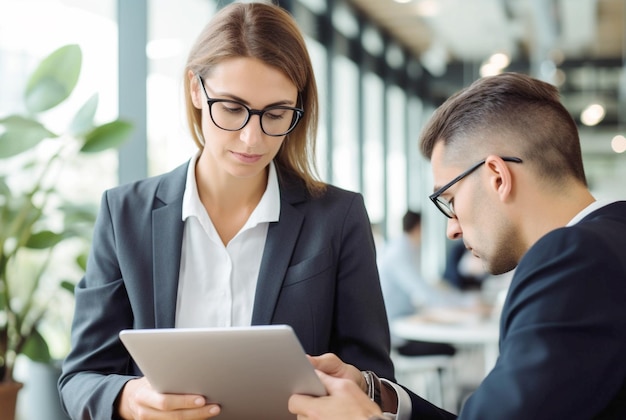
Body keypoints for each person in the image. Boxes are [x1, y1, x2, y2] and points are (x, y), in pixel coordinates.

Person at [57, 2, 394, 419]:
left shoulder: (337, 218)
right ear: (196, 90)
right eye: (232, 108)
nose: (252, 138)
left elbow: (374, 381)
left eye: (276, 113)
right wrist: (130, 401)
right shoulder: (125, 214)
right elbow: (81, 377)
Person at [288, 72, 626, 420]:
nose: (451, 229)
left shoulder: (574, 260)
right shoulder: (610, 242)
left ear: (497, 176)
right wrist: (378, 396)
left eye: (448, 200)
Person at [378, 210, 458, 356]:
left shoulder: (401, 249)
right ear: (418, 227)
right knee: (448, 347)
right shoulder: (399, 254)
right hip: (396, 338)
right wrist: (465, 304)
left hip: (400, 325)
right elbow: (425, 293)